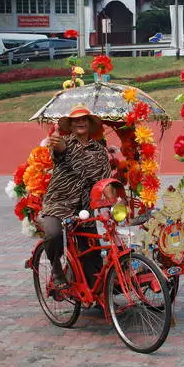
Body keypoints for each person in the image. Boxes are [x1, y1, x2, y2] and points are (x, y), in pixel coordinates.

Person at [41, 104, 112, 290]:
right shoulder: (64, 143)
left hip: (84, 209)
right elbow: (60, 149)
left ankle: (97, 297)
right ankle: (57, 270)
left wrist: (114, 205)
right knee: (53, 234)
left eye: (84, 119)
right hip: (58, 202)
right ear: (71, 125)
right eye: (76, 120)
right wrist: (56, 142)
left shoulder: (99, 151)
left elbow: (105, 182)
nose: (80, 122)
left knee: (91, 252)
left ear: (89, 124)